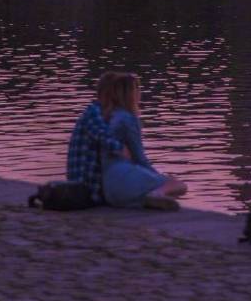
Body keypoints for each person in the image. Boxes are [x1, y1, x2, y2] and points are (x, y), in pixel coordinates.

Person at [101, 72, 187, 210]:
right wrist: (159, 178)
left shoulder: (104, 117)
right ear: (132, 94)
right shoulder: (128, 119)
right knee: (177, 185)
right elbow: (140, 159)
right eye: (137, 89)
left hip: (106, 187)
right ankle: (157, 194)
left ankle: (146, 197)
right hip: (121, 179)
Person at [66, 71, 126, 205]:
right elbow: (109, 142)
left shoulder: (104, 114)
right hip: (87, 189)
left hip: (91, 186)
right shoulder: (94, 112)